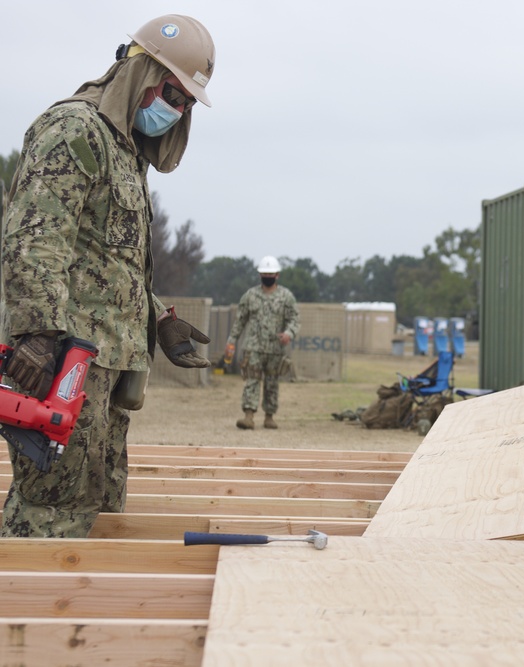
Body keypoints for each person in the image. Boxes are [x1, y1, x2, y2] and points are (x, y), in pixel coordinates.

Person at [1, 15, 216, 538]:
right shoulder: (75, 131)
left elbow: (108, 260)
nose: (178, 110)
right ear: (141, 73)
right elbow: (33, 241)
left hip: (107, 372)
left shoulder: (125, 150)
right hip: (63, 365)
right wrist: (37, 335)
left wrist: (158, 314)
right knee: (52, 514)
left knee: (98, 511)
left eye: (187, 103)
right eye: (173, 94)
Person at [224, 256, 301, 430]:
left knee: (272, 383)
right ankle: (248, 416)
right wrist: (232, 341)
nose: (267, 276)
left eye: (270, 273)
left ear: (277, 275)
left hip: (275, 349)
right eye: (264, 274)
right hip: (253, 348)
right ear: (260, 275)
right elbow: (240, 320)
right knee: (251, 380)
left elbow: (295, 319)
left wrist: (289, 333)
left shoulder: (286, 297)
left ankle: (269, 416)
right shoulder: (250, 296)